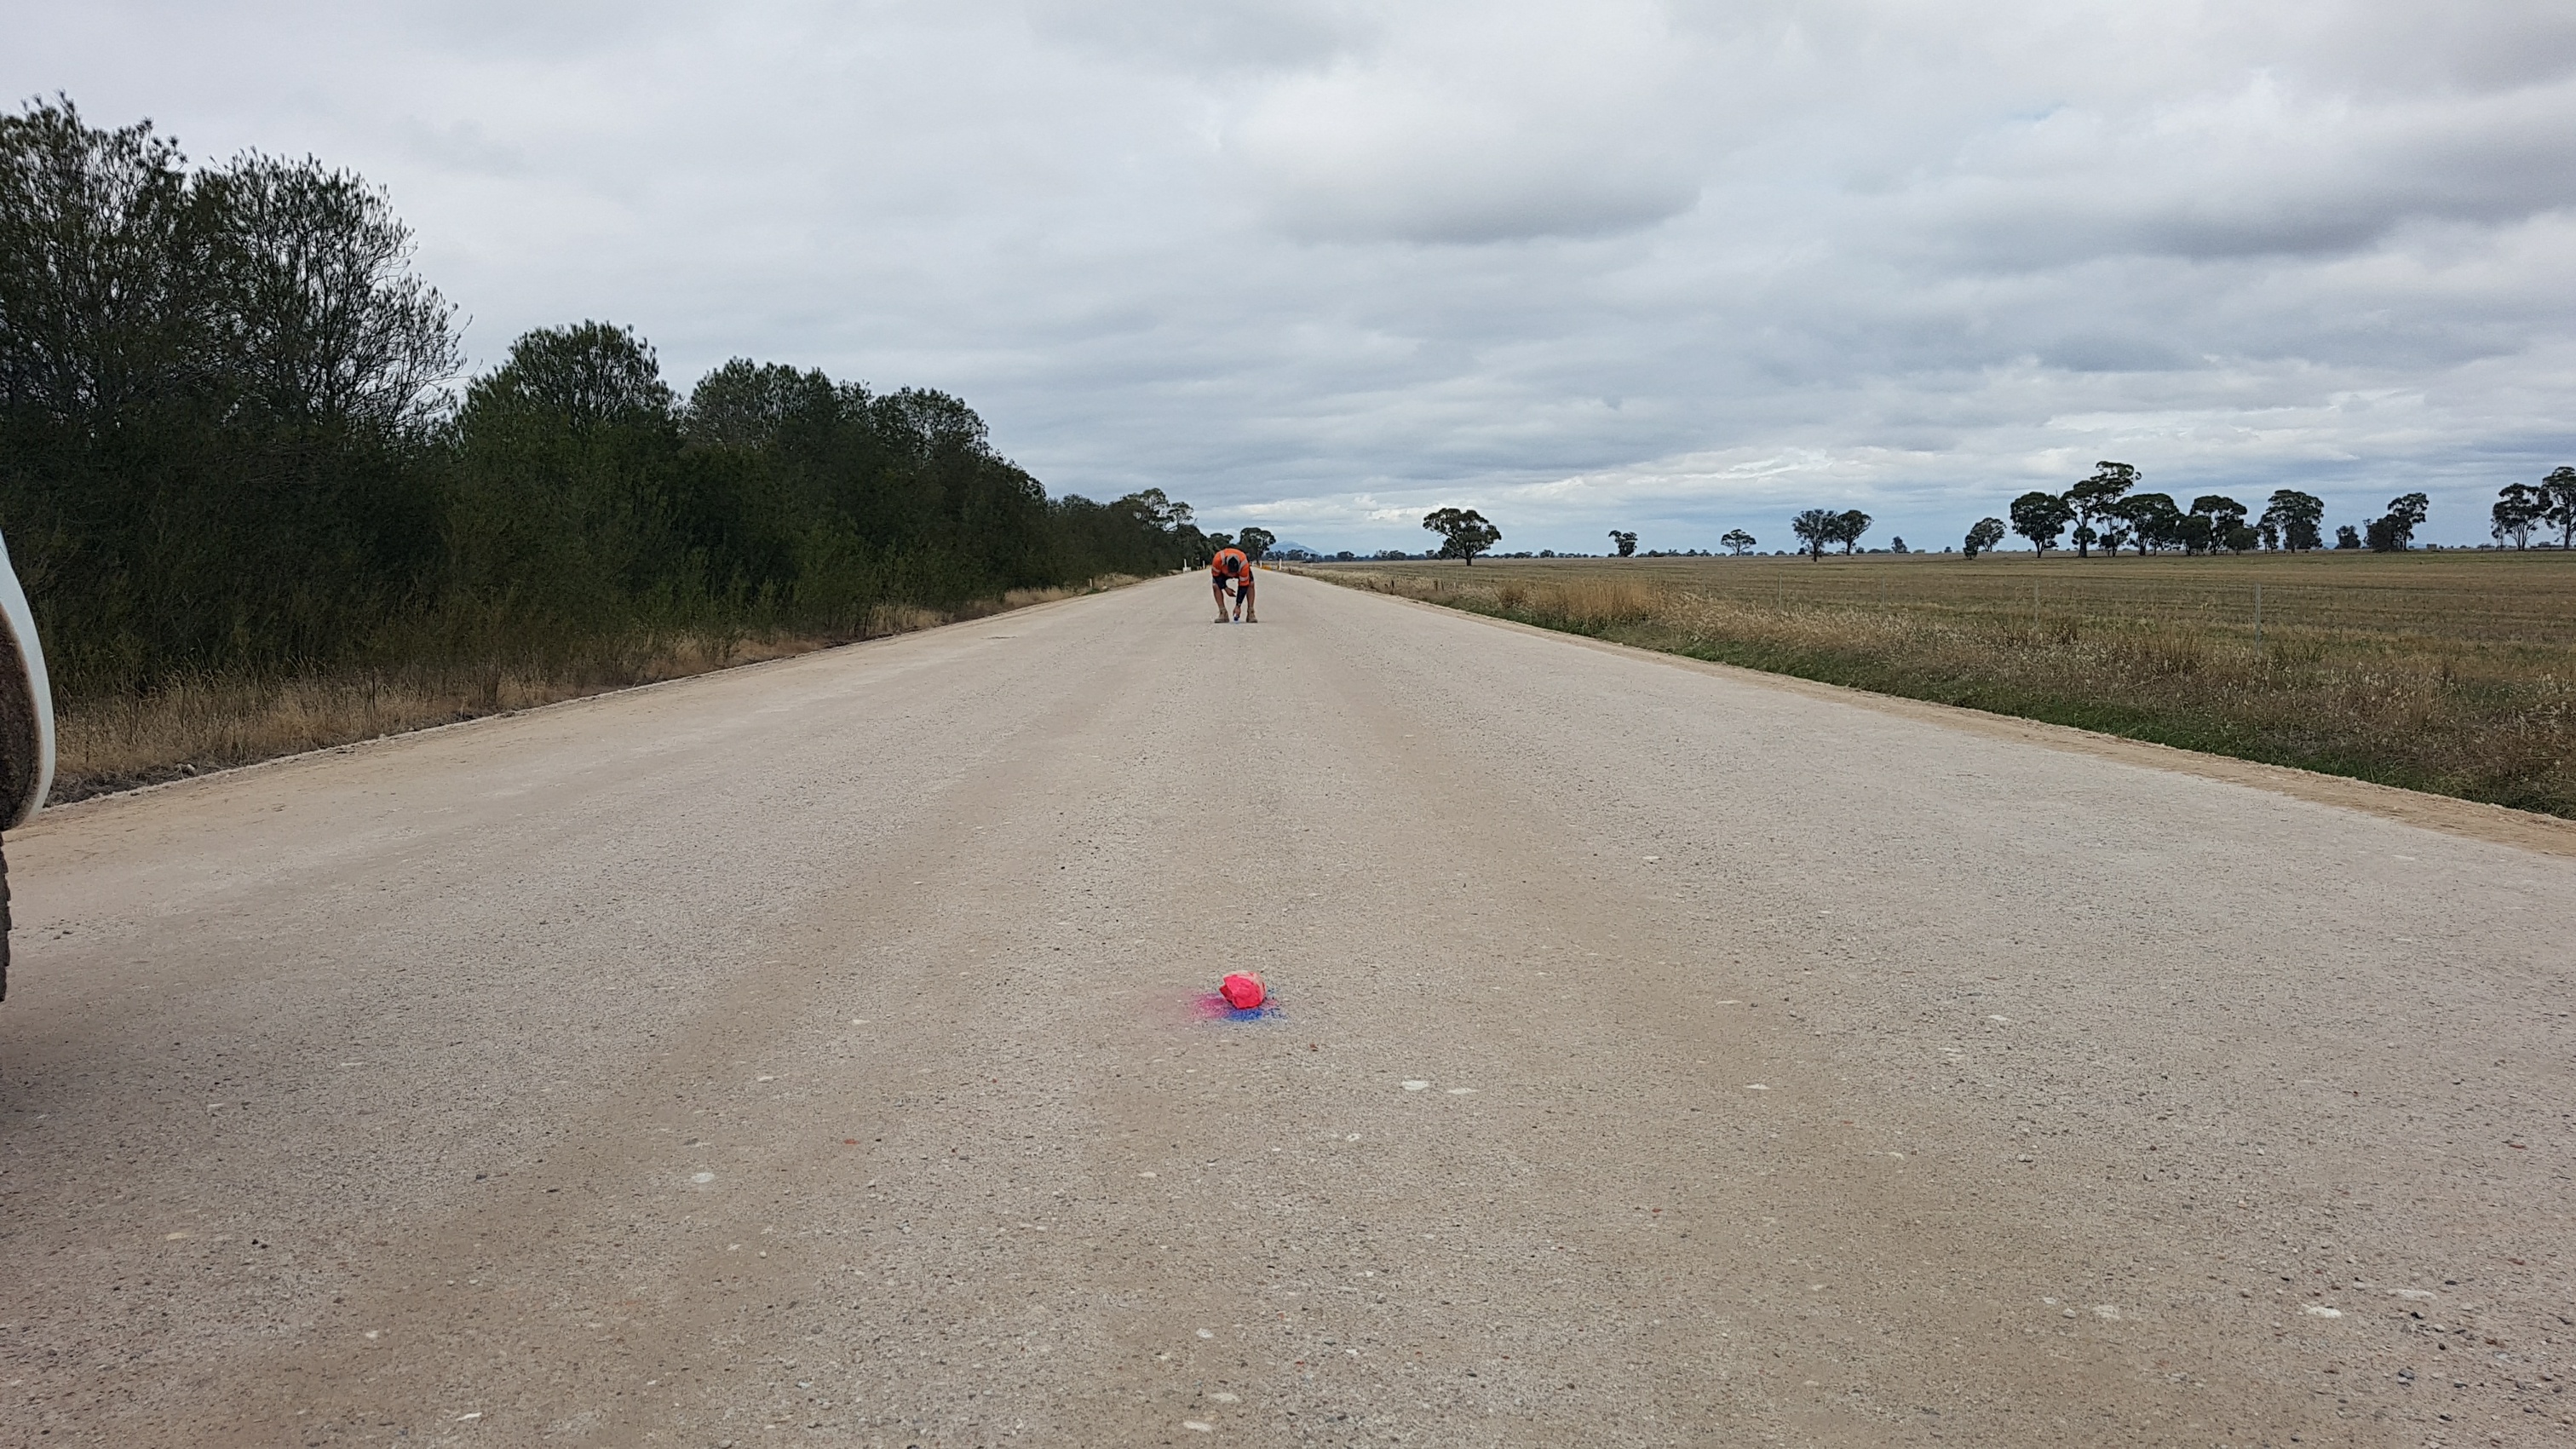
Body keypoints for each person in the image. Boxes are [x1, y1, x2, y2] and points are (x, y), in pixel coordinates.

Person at [1210, 546, 1257, 624]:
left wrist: (1238, 606)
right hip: (1222, 572)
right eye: (1231, 572)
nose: (1232, 575)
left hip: (1240, 570)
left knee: (1251, 584)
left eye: (1234, 572)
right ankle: (1223, 612)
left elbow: (1243, 586)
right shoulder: (1218, 560)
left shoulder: (1244, 564)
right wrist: (1226, 588)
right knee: (1215, 586)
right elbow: (1216, 576)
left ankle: (1251, 612)